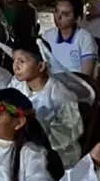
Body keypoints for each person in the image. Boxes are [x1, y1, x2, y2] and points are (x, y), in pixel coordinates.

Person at [9, 38, 85, 167]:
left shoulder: (61, 95)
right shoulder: (16, 84)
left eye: (22, 61)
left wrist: (39, 129)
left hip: (56, 154)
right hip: (22, 145)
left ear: (41, 66)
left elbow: (71, 132)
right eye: (14, 60)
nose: (15, 66)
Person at [44, 0, 100, 77]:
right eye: (56, 11)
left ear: (77, 19)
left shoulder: (85, 39)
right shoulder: (47, 36)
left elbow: (86, 76)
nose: (58, 17)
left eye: (65, 14)